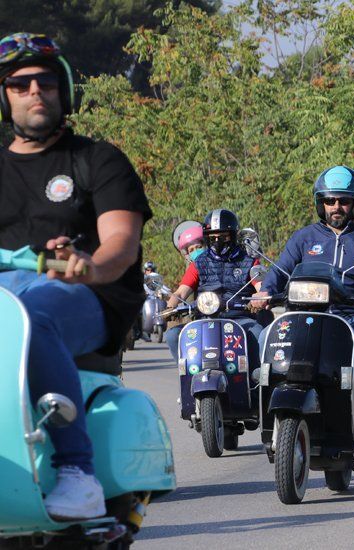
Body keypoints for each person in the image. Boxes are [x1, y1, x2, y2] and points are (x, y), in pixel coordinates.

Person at [0, 33, 152, 519]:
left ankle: (76, 471)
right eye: (19, 84)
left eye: (45, 81)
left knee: (30, 313)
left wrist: (90, 267)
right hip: (8, 287)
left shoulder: (96, 159)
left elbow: (120, 245)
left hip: (87, 294)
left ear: (63, 90)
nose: (33, 92)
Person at [252, 166, 354, 458]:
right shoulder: (304, 237)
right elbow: (281, 269)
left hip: (351, 314)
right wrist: (265, 292)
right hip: (303, 312)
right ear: (321, 203)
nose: (336, 207)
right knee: (266, 337)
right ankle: (270, 420)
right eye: (330, 201)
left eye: (343, 201)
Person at [163, 209, 264, 363]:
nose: (218, 241)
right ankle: (189, 374)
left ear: (233, 236)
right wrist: (170, 306)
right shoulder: (199, 262)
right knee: (172, 335)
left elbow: (261, 287)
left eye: (223, 236)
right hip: (204, 318)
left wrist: (259, 297)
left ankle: (256, 381)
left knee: (258, 333)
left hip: (240, 318)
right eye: (213, 237)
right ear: (207, 238)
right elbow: (182, 292)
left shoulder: (249, 261)